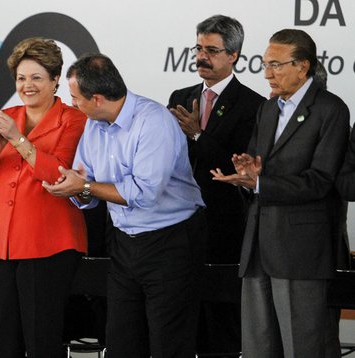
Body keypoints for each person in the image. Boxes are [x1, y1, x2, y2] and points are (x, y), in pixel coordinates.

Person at [43, 53, 206, 358]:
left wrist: (87, 187)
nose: (74, 104)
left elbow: (145, 193)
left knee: (168, 344)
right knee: (121, 342)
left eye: (76, 98)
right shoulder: (93, 125)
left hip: (170, 242)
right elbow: (86, 183)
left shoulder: (154, 121)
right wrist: (73, 188)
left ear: (98, 99)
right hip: (123, 243)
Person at [211, 29, 350, 357]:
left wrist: (260, 184)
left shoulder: (330, 110)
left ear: (303, 67)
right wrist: (248, 171)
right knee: (258, 346)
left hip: (300, 252)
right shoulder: (269, 108)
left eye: (276, 65)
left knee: (303, 346)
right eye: (264, 64)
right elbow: (259, 162)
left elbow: (320, 181)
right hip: (258, 244)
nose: (267, 73)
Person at [0, 37, 87, 358]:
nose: (27, 85)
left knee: (40, 338)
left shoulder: (74, 119)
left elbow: (58, 174)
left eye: (36, 77)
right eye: (21, 78)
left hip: (48, 243)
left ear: (55, 81)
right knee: (4, 338)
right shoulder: (8, 114)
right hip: (3, 242)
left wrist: (17, 138)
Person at [167, 15, 264, 355]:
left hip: (225, 225)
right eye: (198, 48)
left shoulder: (254, 105)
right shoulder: (181, 96)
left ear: (234, 55)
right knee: (183, 316)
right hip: (179, 224)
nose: (201, 57)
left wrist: (197, 134)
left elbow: (238, 168)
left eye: (212, 50)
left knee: (221, 323)